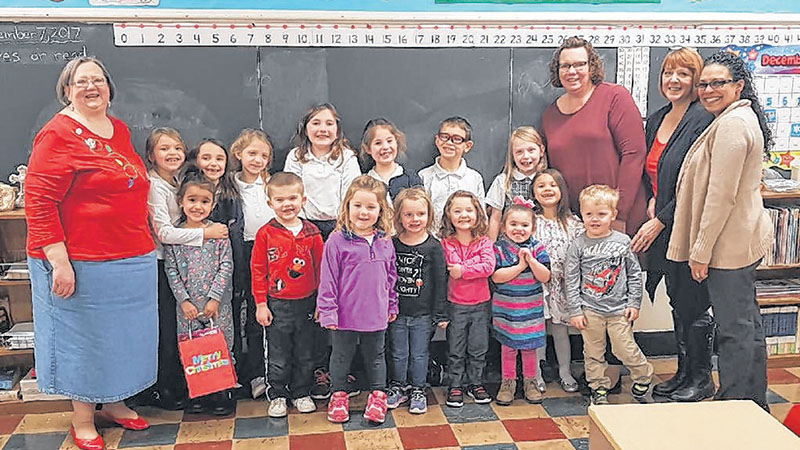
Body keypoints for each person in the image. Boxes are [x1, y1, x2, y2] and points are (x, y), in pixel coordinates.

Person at [26, 56, 154, 450]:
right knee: (83, 340)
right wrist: (59, 262)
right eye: (81, 82)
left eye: (98, 80)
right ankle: (82, 419)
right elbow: (39, 201)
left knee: (122, 338)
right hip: (80, 259)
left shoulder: (117, 129)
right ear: (67, 90)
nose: (91, 88)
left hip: (129, 255)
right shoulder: (57, 134)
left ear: (109, 89)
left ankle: (114, 402)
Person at [667, 51, 774, 410]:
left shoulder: (731, 125)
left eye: (718, 83)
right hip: (737, 240)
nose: (709, 90)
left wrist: (700, 252)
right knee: (745, 326)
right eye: (704, 84)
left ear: (738, 85)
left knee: (734, 330)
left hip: (728, 246)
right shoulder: (732, 118)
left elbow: (720, 197)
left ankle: (738, 405)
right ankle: (752, 403)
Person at [630, 48, 715, 402]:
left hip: (688, 226)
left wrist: (661, 219)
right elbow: (657, 172)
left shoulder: (703, 119)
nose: (674, 80)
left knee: (694, 301)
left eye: (683, 74)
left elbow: (699, 183)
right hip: (665, 220)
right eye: (668, 73)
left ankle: (701, 378)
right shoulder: (657, 118)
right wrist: (653, 197)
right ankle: (683, 374)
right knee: (677, 298)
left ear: (696, 81)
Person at [147, 127, 228, 411]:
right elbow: (165, 234)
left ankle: (210, 390)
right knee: (171, 332)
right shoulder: (154, 185)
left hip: (203, 284)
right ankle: (169, 388)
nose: (172, 153)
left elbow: (224, 265)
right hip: (162, 262)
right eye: (164, 148)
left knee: (206, 337)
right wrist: (205, 234)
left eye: (177, 148)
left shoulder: (176, 182)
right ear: (151, 155)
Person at [284, 103, 361, 400]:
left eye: (329, 123)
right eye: (316, 123)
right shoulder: (296, 157)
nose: (323, 129)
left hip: (340, 230)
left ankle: (344, 368)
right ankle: (317, 370)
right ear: (306, 127)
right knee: (313, 301)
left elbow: (352, 194)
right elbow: (291, 193)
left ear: (337, 129)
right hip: (304, 230)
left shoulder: (346, 157)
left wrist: (342, 231)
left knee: (342, 300)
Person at [542, 36, 647, 236]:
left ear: (592, 67)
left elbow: (634, 153)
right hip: (575, 222)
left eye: (580, 64)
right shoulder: (550, 115)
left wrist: (619, 213)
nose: (572, 71)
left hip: (616, 219)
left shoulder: (614, 97)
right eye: (565, 66)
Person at [317, 176, 398, 424]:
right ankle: (339, 396)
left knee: (376, 356)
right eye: (358, 206)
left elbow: (391, 276)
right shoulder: (336, 241)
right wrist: (328, 311)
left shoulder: (385, 241)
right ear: (348, 207)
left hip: (376, 314)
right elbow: (327, 279)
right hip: (344, 315)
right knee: (341, 357)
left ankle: (377, 396)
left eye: (371, 207)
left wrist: (392, 304)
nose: (364, 212)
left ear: (381, 210)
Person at [565, 185, 653, 405]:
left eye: (601, 214)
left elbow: (634, 274)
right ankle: (598, 387)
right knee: (593, 352)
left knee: (624, 347)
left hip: (618, 309)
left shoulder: (623, 242)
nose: (595, 219)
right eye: (589, 214)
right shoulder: (578, 245)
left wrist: (634, 302)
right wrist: (575, 310)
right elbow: (572, 278)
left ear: (613, 215)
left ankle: (643, 374)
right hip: (590, 309)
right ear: (581, 215)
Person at [251, 172, 324, 418]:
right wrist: (261, 304)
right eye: (280, 200)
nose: (287, 204)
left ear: (303, 199)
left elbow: (321, 268)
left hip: (307, 303)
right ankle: (278, 395)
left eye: (292, 198)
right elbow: (258, 270)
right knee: (278, 354)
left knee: (305, 352)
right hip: (277, 304)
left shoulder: (313, 233)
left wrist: (321, 303)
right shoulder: (265, 234)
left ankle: (301, 392)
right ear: (270, 203)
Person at [164, 169, 235, 416]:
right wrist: (183, 301)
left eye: (204, 201)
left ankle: (222, 392)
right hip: (188, 307)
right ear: (181, 202)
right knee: (193, 348)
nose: (198, 206)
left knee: (219, 345)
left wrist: (214, 298)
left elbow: (227, 266)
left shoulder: (219, 232)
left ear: (212, 204)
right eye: (192, 200)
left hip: (217, 304)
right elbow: (170, 269)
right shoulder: (176, 235)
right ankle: (198, 391)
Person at [187, 139, 247, 401]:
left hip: (225, 278)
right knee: (195, 339)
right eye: (206, 157)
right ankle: (199, 391)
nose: (213, 164)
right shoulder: (187, 198)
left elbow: (230, 240)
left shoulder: (231, 195)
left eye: (219, 158)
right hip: (191, 285)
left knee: (226, 331)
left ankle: (225, 387)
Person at [387, 188, 448, 414]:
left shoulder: (434, 247)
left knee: (420, 353)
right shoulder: (392, 244)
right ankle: (398, 386)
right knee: (398, 352)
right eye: (409, 214)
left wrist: (441, 313)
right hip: (397, 313)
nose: (415, 219)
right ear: (399, 217)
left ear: (429, 215)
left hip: (424, 315)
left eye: (420, 214)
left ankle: (418, 389)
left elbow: (441, 282)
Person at [491, 201, 551, 406]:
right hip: (507, 311)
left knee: (529, 349)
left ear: (533, 228)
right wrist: (520, 266)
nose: (519, 229)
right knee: (508, 348)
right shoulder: (498, 249)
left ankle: (530, 382)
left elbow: (545, 276)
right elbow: (496, 277)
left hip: (530, 311)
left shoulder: (538, 248)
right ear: (503, 227)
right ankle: (508, 383)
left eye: (524, 225)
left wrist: (531, 261)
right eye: (513, 224)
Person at [231, 128, 276, 399]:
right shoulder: (231, 185)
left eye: (263, 155)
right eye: (252, 154)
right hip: (242, 252)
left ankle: (275, 372)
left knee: (271, 313)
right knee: (247, 314)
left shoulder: (273, 184)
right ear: (239, 154)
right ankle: (253, 373)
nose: (257, 160)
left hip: (273, 251)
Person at [440, 191, 495, 408]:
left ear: (478, 213)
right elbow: (450, 270)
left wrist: (463, 270)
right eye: (458, 210)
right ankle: (455, 385)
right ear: (449, 215)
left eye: (469, 210)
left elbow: (488, 267)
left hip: (481, 305)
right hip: (456, 305)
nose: (464, 215)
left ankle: (476, 383)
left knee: (478, 347)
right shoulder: (446, 243)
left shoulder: (484, 242)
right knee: (456, 347)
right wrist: (470, 268)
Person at [531, 169, 584, 393]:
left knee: (560, 329)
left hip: (563, 286)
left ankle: (564, 371)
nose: (547, 189)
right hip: (535, 285)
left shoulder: (573, 223)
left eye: (553, 185)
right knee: (536, 329)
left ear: (561, 190)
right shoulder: (530, 221)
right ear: (533, 192)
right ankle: (536, 373)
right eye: (541, 185)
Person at [419, 117, 486, 235]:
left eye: (457, 139)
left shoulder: (474, 178)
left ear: (467, 146)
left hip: (466, 245)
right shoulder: (424, 176)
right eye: (444, 137)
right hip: (434, 245)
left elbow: (481, 218)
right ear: (437, 140)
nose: (449, 143)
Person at [486, 126, 547, 241]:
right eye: (519, 152)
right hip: (508, 244)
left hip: (540, 244)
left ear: (541, 151)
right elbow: (495, 217)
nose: (525, 156)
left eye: (531, 150)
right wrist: (491, 249)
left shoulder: (547, 181)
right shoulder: (503, 181)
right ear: (512, 156)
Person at [361, 117, 423, 202]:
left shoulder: (411, 179)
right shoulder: (364, 183)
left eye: (389, 141)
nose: (385, 147)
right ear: (368, 149)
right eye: (378, 143)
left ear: (396, 142)